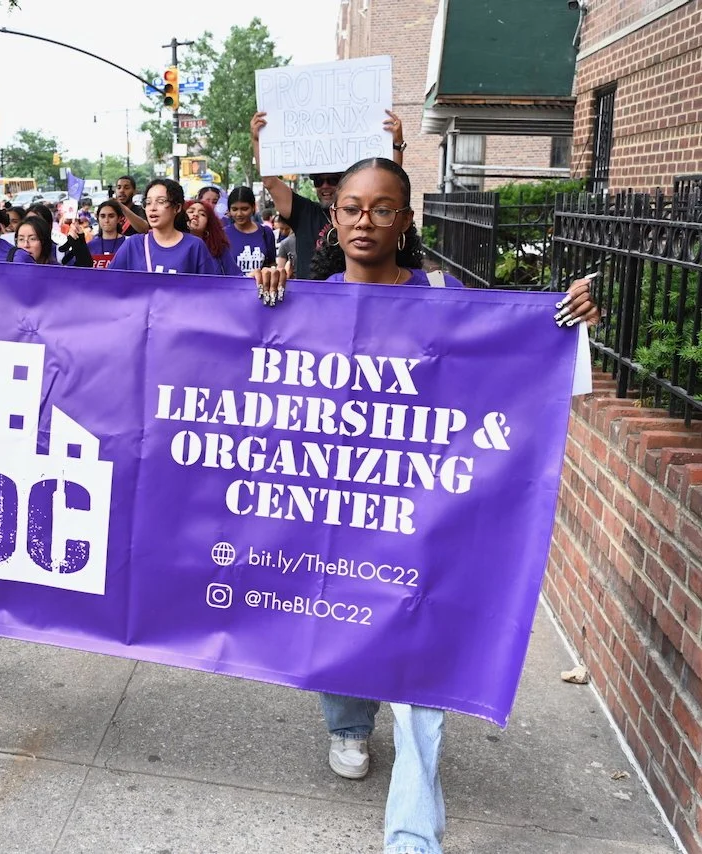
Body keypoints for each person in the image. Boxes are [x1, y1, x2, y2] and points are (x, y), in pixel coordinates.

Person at [252, 157, 600, 854]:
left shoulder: (446, 296)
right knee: (340, 624)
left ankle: (412, 836)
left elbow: (514, 357)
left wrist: (566, 318)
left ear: (405, 220)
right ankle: (348, 723)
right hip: (334, 506)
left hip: (422, 518)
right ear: (333, 218)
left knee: (421, 662)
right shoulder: (303, 297)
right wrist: (265, 299)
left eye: (383, 209)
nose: (364, 221)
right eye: (351, 207)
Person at [251, 109, 405, 279]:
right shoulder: (304, 212)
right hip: (312, 302)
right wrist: (258, 140)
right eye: (318, 181)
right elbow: (270, 182)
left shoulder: (362, 217)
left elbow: (389, 185)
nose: (325, 186)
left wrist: (396, 147)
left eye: (333, 180)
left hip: (354, 298)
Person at [106, 178, 214, 275]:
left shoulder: (195, 246)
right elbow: (109, 282)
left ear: (177, 208)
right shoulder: (133, 244)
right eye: (148, 202)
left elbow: (210, 290)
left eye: (161, 201)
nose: (152, 208)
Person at [223, 186, 278, 275]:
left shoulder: (266, 233)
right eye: (234, 209)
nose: (239, 214)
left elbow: (272, 264)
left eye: (244, 209)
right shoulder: (223, 235)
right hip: (231, 287)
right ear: (229, 210)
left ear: (253, 208)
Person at [185, 199, 242, 276]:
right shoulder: (172, 245)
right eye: (191, 212)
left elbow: (236, 277)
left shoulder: (219, 248)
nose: (195, 215)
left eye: (202, 214)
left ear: (208, 224)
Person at [87, 199, 126, 268]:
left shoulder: (128, 243)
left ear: (119, 219)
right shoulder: (90, 246)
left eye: (111, 216)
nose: (106, 220)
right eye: (102, 216)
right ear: (98, 218)